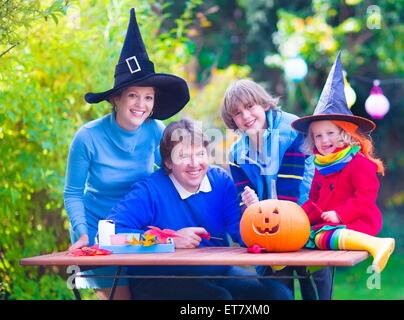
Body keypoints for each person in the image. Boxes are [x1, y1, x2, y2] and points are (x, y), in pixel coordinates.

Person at [63, 8, 190, 300]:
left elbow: (171, 179)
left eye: (148, 97)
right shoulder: (87, 138)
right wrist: (83, 233)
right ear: (116, 98)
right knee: (123, 297)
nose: (141, 105)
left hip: (142, 231)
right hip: (99, 233)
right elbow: (72, 193)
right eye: (133, 95)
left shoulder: (157, 130)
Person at [107, 119, 293, 300]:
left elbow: (240, 233)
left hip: (217, 273)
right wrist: (168, 239)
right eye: (184, 156)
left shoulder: (220, 181)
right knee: (218, 298)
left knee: (278, 294)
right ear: (168, 162)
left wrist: (254, 218)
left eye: (200, 154)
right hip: (158, 278)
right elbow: (111, 235)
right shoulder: (148, 191)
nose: (195, 163)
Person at [220, 79, 333, 300]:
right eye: (237, 113)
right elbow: (243, 194)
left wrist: (273, 218)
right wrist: (250, 204)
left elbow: (290, 187)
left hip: (304, 208)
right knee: (279, 285)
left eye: (250, 107)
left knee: (310, 273)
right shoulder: (237, 153)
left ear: (263, 104)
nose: (246, 116)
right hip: (271, 222)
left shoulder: (293, 130)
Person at [291, 51, 395, 275]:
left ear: (344, 134)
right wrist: (298, 218)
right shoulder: (321, 165)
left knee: (322, 237)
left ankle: (378, 244)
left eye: (330, 133)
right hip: (331, 222)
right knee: (308, 236)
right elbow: (315, 200)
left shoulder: (357, 162)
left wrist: (340, 215)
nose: (324, 140)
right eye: (318, 136)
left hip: (358, 221)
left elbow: (365, 197)